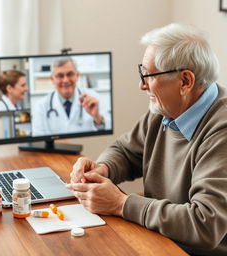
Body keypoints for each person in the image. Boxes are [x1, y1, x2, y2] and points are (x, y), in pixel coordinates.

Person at [67, 23, 227, 256]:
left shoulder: (221, 130)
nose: (141, 85)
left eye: (149, 75)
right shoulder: (166, 109)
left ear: (185, 82)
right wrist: (103, 168)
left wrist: (121, 204)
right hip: (160, 241)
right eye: (141, 72)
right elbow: (125, 150)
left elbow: (204, 223)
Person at [32, 57, 111, 136]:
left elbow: (108, 130)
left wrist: (97, 117)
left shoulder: (94, 98)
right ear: (52, 79)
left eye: (70, 74)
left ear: (77, 76)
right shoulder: (41, 106)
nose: (66, 80)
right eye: (60, 75)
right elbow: (38, 137)